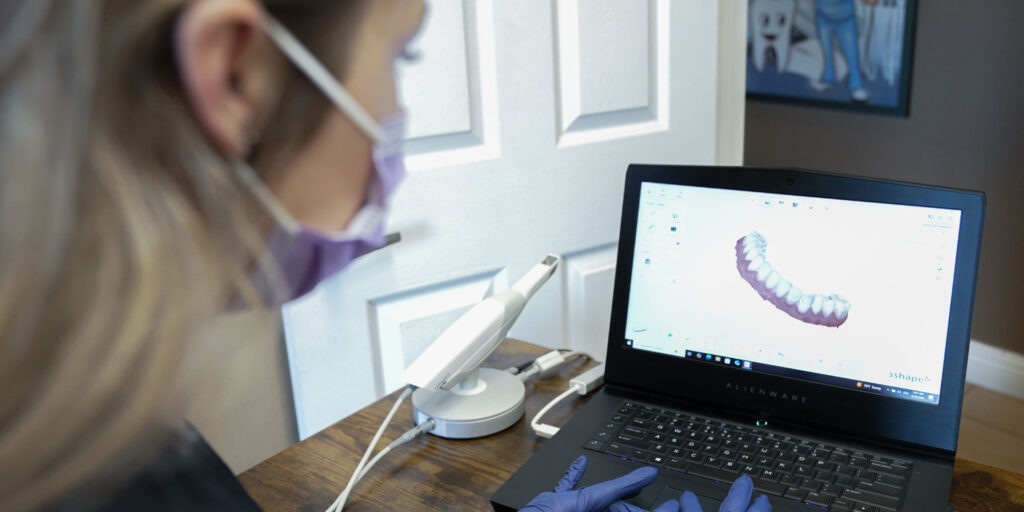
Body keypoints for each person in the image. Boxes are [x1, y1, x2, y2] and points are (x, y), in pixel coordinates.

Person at [0, 1, 767, 511]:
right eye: (401, 54)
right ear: (238, 73)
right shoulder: (110, 477)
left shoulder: (85, 411)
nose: (397, 111)